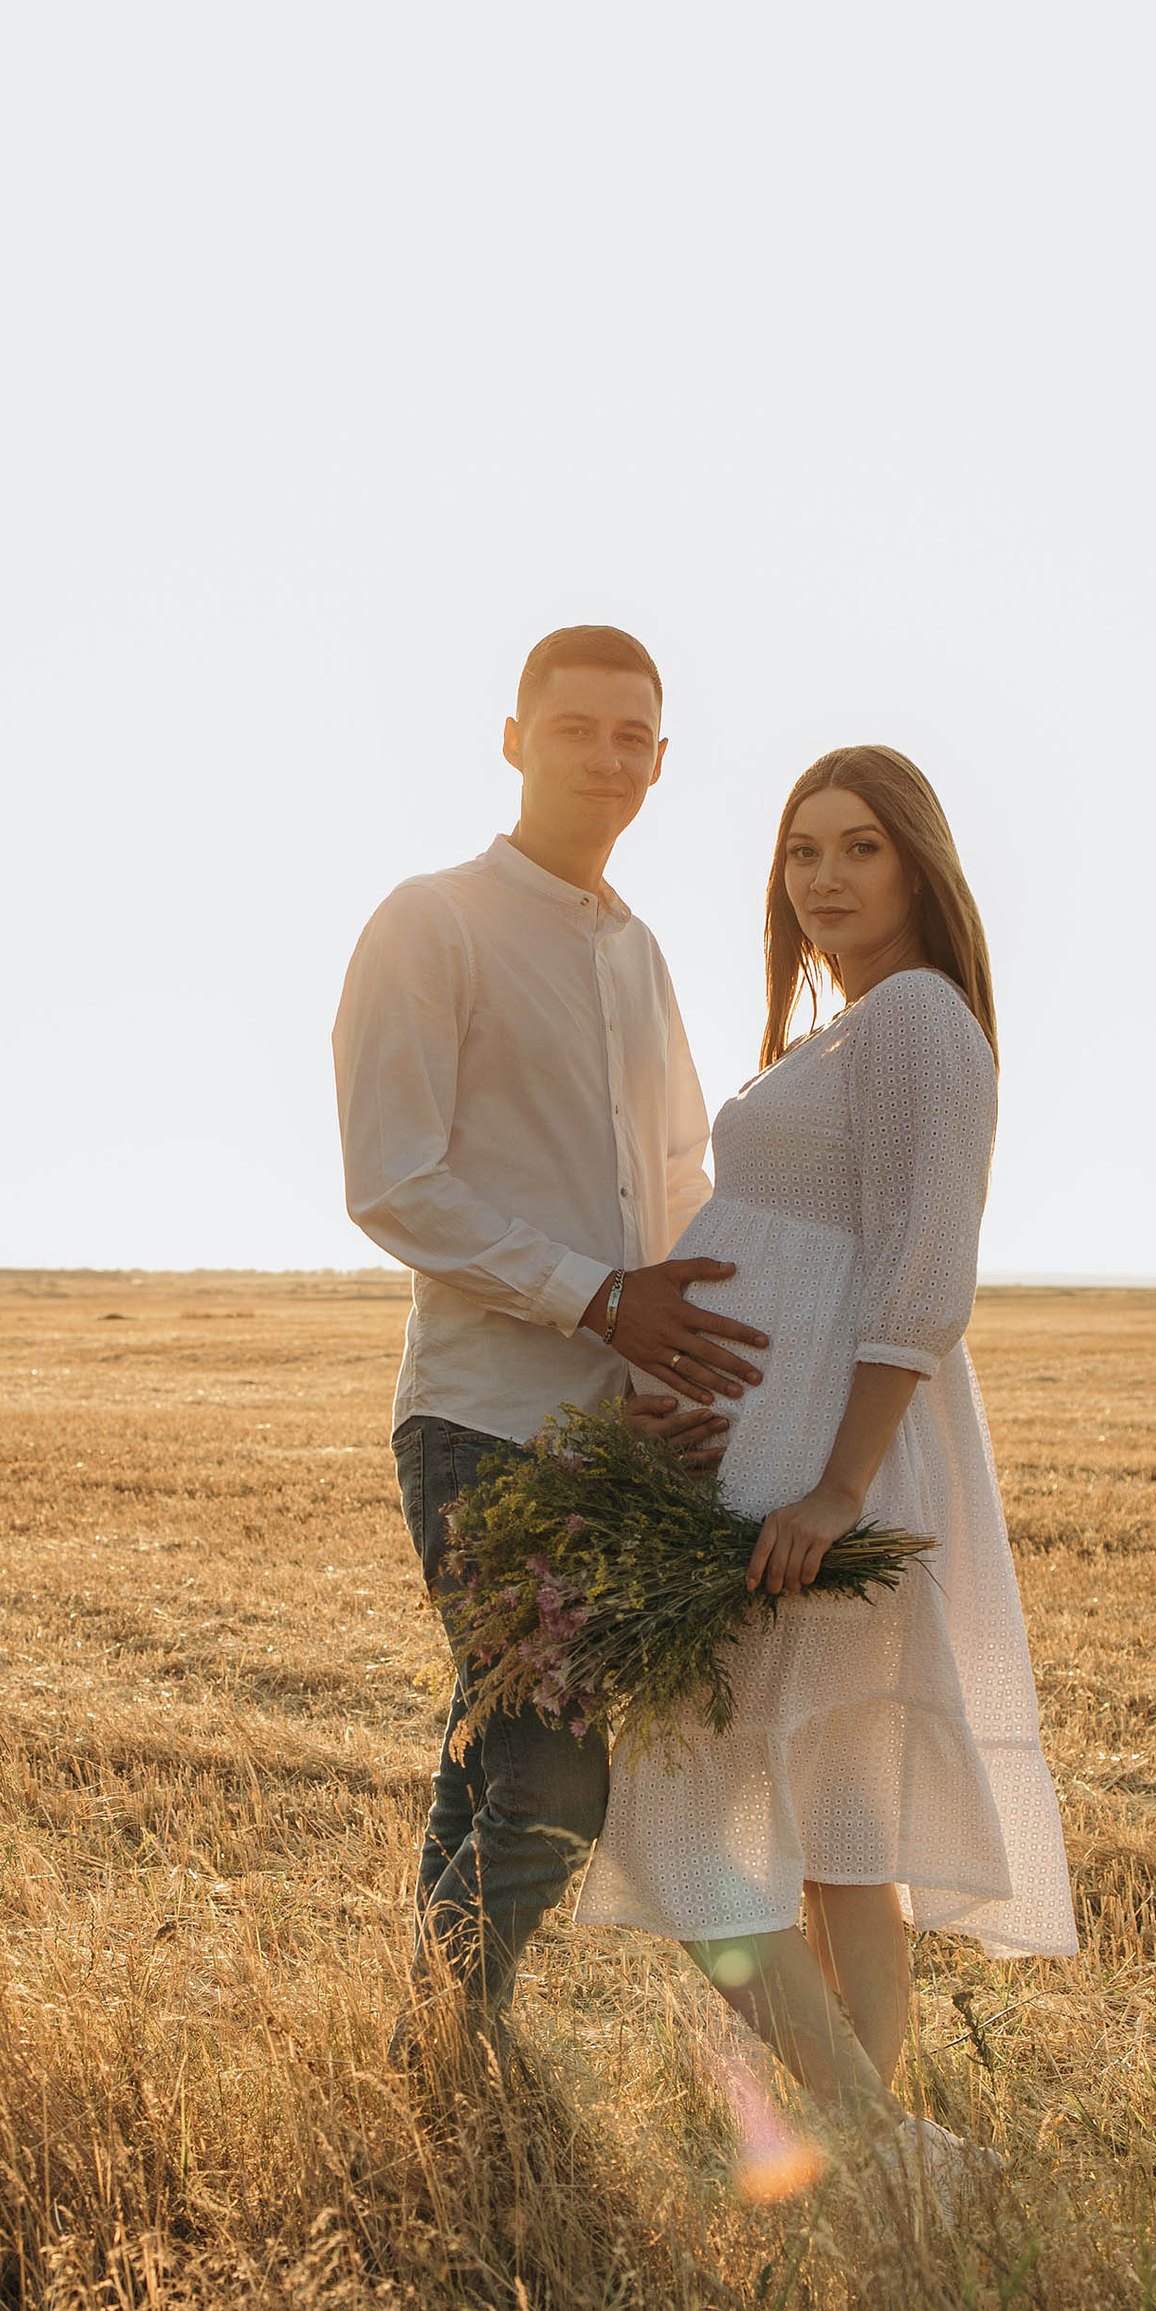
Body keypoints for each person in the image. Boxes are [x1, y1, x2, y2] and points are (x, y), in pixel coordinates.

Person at [574, 743, 1077, 2201]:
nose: (828, 878)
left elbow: (922, 1277)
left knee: (684, 1831)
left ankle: (872, 2144)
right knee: (845, 1843)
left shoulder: (918, 1020)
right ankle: (897, 2179)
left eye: (860, 847)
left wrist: (837, 1490)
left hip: (816, 1467)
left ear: (919, 864)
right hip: (761, 1449)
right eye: (804, 854)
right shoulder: (844, 1034)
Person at [333, 623, 765, 2052]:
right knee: (560, 1769)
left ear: (662, 761)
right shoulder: (432, 921)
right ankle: (448, 2046)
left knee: (500, 1749)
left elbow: (683, 1178)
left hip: (612, 1432)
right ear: (514, 741)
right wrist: (596, 1301)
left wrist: (667, 1365)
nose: (606, 757)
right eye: (576, 729)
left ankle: (436, 2052)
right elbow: (395, 1181)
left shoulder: (638, 953)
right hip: (480, 1419)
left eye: (633, 735)